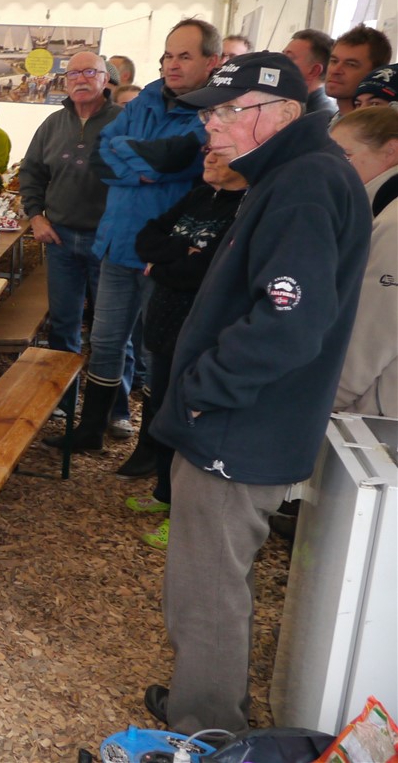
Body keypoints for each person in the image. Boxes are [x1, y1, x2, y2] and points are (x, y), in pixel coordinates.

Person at [143, 51, 370, 736]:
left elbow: (288, 322)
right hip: (245, 421)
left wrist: (203, 392)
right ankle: (202, 697)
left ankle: (209, 730)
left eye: (225, 111)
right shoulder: (294, 174)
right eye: (208, 112)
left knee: (209, 589)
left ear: (281, 113)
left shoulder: (303, 184)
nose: (209, 125)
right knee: (210, 579)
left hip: (237, 427)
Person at [50, 19, 219, 454]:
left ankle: (151, 446)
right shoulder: (146, 98)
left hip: (163, 252)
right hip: (117, 242)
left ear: (212, 62)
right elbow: (102, 154)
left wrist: (133, 159)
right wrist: (144, 166)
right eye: (168, 55)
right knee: (105, 341)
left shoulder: (214, 111)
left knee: (155, 350)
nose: (173, 64)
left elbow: (177, 158)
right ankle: (91, 430)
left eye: (185, 56)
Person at [125, 145, 247, 551]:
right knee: (162, 408)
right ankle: (164, 492)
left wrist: (163, 266)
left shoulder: (246, 207)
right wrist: (180, 251)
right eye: (208, 152)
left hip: (200, 332)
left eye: (221, 154)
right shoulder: (199, 195)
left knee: (188, 419)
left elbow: (208, 270)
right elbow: (146, 237)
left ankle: (182, 519)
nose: (209, 159)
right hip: (164, 324)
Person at [18, 51, 122, 413]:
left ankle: (114, 411)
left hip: (109, 243)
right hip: (60, 239)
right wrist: (36, 216)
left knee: (112, 330)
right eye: (73, 73)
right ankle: (63, 401)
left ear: (105, 79)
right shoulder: (52, 124)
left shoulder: (123, 122)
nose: (81, 79)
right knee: (64, 326)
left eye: (90, 72)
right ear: (64, 82)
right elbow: (31, 173)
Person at [331, 106, 398, 417]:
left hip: (375, 412)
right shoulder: (375, 209)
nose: (333, 167)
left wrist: (329, 397)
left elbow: (374, 331)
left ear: (391, 151)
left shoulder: (393, 224)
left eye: (344, 156)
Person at [326, 24, 393, 121]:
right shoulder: (326, 122)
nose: (335, 71)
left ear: (376, 72)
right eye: (334, 61)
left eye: (351, 64)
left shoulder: (380, 128)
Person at [280, 28, 338, 116]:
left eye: (289, 58)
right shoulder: (288, 104)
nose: (278, 62)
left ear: (314, 71)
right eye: (282, 55)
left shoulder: (320, 117)